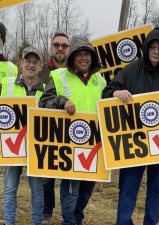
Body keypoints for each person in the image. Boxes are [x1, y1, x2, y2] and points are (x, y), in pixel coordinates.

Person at [102, 27, 159, 225]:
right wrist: (117, 93)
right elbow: (107, 91)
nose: (156, 51)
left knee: (158, 191)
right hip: (134, 143)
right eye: (152, 47)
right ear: (146, 48)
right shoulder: (131, 70)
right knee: (128, 188)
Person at [39, 35, 106, 225]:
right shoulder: (58, 76)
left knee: (87, 189)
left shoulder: (100, 81)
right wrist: (62, 101)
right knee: (70, 189)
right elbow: (43, 103)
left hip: (93, 145)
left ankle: (77, 218)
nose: (84, 58)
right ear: (73, 57)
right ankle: (69, 222)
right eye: (79, 54)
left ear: (92, 57)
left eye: (87, 54)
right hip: (68, 145)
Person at [1, 47, 45, 225]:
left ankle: (37, 222)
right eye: (28, 61)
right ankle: (10, 222)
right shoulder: (7, 84)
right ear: (21, 63)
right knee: (10, 188)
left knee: (37, 189)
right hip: (12, 146)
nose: (31, 65)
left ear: (40, 67)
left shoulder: (46, 89)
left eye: (35, 62)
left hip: (36, 148)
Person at [40, 32, 70, 225]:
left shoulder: (74, 71)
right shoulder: (41, 71)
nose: (60, 48)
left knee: (70, 178)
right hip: (46, 131)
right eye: (56, 45)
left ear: (69, 49)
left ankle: (73, 214)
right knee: (47, 178)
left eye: (64, 46)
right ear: (51, 48)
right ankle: (47, 212)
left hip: (70, 133)